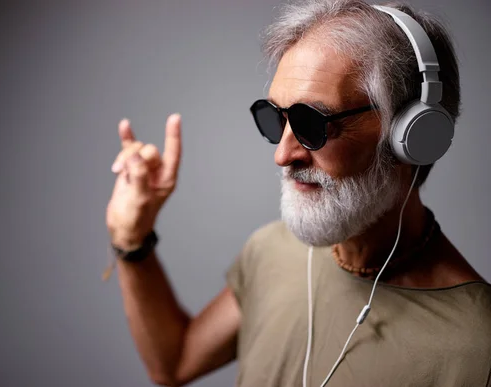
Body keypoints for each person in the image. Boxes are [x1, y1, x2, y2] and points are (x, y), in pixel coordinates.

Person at [105, 1, 491, 386]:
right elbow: (174, 362)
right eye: (277, 117)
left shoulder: (476, 346)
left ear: (410, 136)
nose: (282, 155)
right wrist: (131, 239)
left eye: (313, 122)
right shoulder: (271, 250)